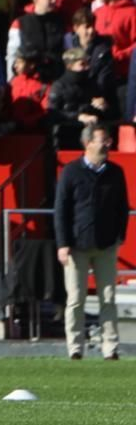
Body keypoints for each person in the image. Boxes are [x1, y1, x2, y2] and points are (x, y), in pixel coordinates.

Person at [54, 123, 128, 361]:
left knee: (108, 298)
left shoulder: (115, 172)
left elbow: (122, 207)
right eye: (102, 140)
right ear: (88, 143)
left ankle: (110, 348)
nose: (108, 144)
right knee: (76, 299)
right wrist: (63, 243)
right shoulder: (71, 171)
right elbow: (61, 210)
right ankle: (75, 347)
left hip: (106, 244)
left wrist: (120, 236)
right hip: (77, 246)